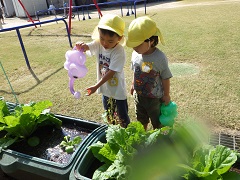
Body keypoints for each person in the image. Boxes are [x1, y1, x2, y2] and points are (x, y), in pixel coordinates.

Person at [75, 14, 130, 128]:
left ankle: (126, 138)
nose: (105, 43)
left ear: (119, 38)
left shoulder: (119, 51)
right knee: (109, 115)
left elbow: (111, 72)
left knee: (122, 118)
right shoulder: (99, 43)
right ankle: (113, 132)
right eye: (102, 38)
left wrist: (96, 86)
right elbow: (87, 47)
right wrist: (81, 45)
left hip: (117, 91)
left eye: (110, 41)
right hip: (105, 90)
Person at [126, 16, 172, 130]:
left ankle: (160, 141)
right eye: (133, 44)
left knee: (157, 122)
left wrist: (166, 94)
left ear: (150, 41)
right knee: (141, 120)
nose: (134, 47)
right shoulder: (135, 54)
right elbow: (135, 70)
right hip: (139, 96)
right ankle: (143, 137)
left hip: (154, 99)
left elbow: (165, 77)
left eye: (138, 44)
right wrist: (133, 84)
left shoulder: (159, 58)